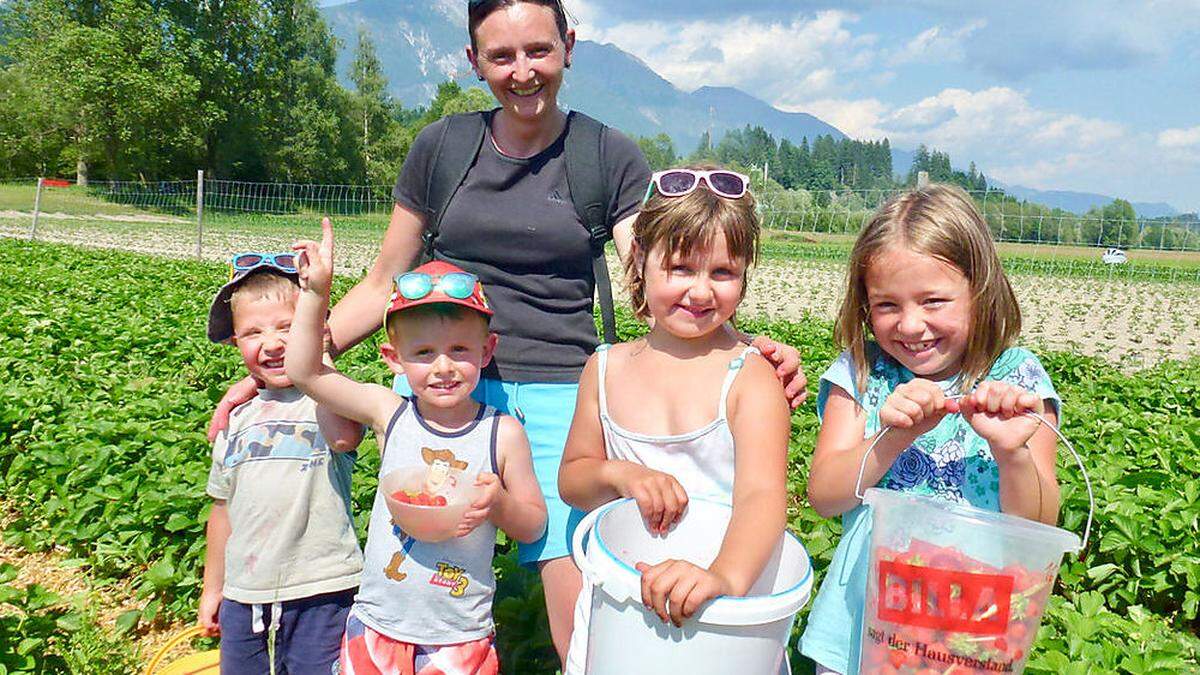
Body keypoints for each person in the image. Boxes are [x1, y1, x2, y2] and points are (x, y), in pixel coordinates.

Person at [210, 0, 808, 662]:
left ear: (569, 47)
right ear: (474, 62)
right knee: (415, 553)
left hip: (562, 385)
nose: (523, 71)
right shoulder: (442, 148)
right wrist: (280, 370)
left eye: (539, 51)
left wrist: (746, 345)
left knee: (571, 583)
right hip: (450, 372)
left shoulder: (605, 155)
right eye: (501, 56)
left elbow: (663, 279)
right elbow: (384, 279)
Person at [797, 184, 1062, 674]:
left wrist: (1012, 453)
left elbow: (1041, 524)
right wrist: (893, 436)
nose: (912, 326)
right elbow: (825, 496)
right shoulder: (863, 373)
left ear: (980, 292)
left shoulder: (1018, 381)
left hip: (969, 634)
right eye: (887, 305)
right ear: (864, 305)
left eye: (934, 301)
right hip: (863, 628)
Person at [285, 220, 548, 674]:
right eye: (423, 353)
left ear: (487, 351)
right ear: (395, 359)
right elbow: (306, 372)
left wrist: (498, 505)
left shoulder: (501, 433)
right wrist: (315, 296)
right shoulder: (391, 413)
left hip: (459, 634)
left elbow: (532, 526)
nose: (443, 367)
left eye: (460, 349)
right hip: (377, 625)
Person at [558, 166, 791, 672]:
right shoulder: (605, 368)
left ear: (745, 274)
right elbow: (574, 480)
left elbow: (763, 497)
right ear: (640, 260)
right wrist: (621, 473)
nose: (702, 292)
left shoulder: (750, 378)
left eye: (723, 272)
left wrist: (723, 577)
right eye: (682, 268)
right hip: (619, 609)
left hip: (724, 620)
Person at [197, 253, 364, 674]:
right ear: (235, 342)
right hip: (243, 593)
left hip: (323, 589)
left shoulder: (327, 398)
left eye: (288, 327)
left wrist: (318, 354)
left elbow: (345, 436)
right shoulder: (235, 419)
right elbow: (222, 510)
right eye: (253, 332)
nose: (271, 343)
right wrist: (212, 587)